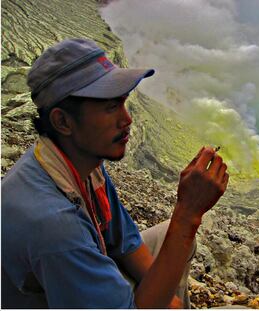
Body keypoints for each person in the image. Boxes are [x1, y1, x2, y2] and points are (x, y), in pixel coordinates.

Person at [1, 38, 229, 308]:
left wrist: (171, 303)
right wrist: (188, 214)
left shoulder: (80, 163)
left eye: (122, 103)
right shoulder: (54, 226)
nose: (127, 119)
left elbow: (126, 243)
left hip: (77, 276)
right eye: (110, 107)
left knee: (172, 237)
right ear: (62, 121)